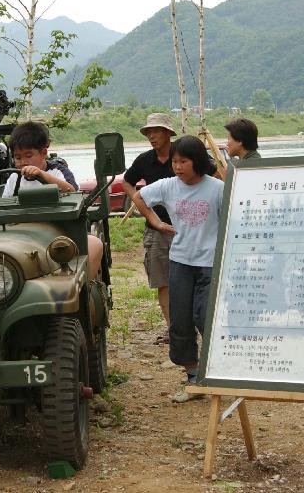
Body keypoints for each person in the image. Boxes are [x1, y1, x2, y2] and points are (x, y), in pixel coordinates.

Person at [132, 135, 224, 403]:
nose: (177, 167)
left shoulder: (216, 188)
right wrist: (156, 222)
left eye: (183, 161)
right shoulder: (169, 186)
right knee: (180, 321)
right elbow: (139, 197)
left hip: (210, 263)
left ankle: (218, 372)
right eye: (174, 161)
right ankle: (193, 377)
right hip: (181, 261)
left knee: (205, 317)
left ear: (197, 161)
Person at [123, 113, 215, 346]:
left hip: (195, 229)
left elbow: (212, 174)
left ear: (168, 133)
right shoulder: (144, 160)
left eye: (156, 131)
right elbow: (128, 182)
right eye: (148, 133)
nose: (151, 136)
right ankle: (172, 328)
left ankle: (204, 328)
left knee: (201, 279)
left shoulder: (186, 152)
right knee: (163, 279)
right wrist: (152, 218)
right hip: (160, 230)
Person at [1, 121, 103, 280]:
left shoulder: (57, 172)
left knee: (95, 244)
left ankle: (84, 291)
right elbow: (4, 206)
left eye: (28, 156)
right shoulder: (14, 178)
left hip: (60, 234)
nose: (22, 162)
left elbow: (72, 191)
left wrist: (42, 175)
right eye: (17, 157)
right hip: (22, 234)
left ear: (43, 153)